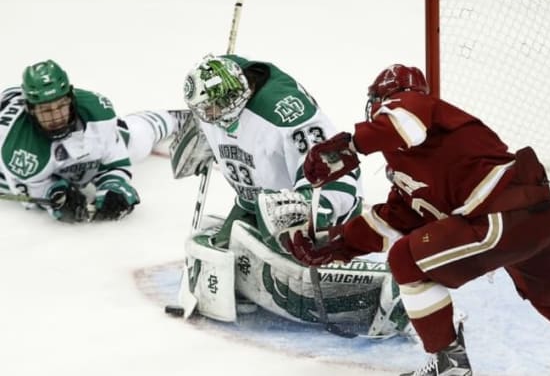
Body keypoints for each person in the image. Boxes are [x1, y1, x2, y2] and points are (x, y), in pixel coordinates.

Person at [289, 64, 550, 375]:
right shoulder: (408, 166)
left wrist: (349, 147)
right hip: (537, 219)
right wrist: (336, 244)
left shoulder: (412, 105)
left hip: (501, 212)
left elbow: (406, 125)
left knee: (406, 260)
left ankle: (449, 366)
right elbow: (393, 219)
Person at [170, 54, 410, 337]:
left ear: (237, 94)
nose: (210, 115)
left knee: (297, 276)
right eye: (204, 110)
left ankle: (397, 288)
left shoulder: (285, 112)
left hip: (306, 206)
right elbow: (216, 91)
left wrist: (317, 211)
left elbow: (336, 168)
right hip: (254, 203)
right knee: (226, 249)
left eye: (215, 107)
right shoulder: (220, 98)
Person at [0, 59, 182, 222]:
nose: (56, 117)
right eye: (46, 111)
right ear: (31, 110)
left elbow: (114, 161)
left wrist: (114, 186)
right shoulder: (16, 147)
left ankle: (175, 119)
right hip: (9, 172)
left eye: (61, 106)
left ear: (71, 98)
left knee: (135, 139)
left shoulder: (97, 113)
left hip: (72, 148)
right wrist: (55, 195)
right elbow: (32, 193)